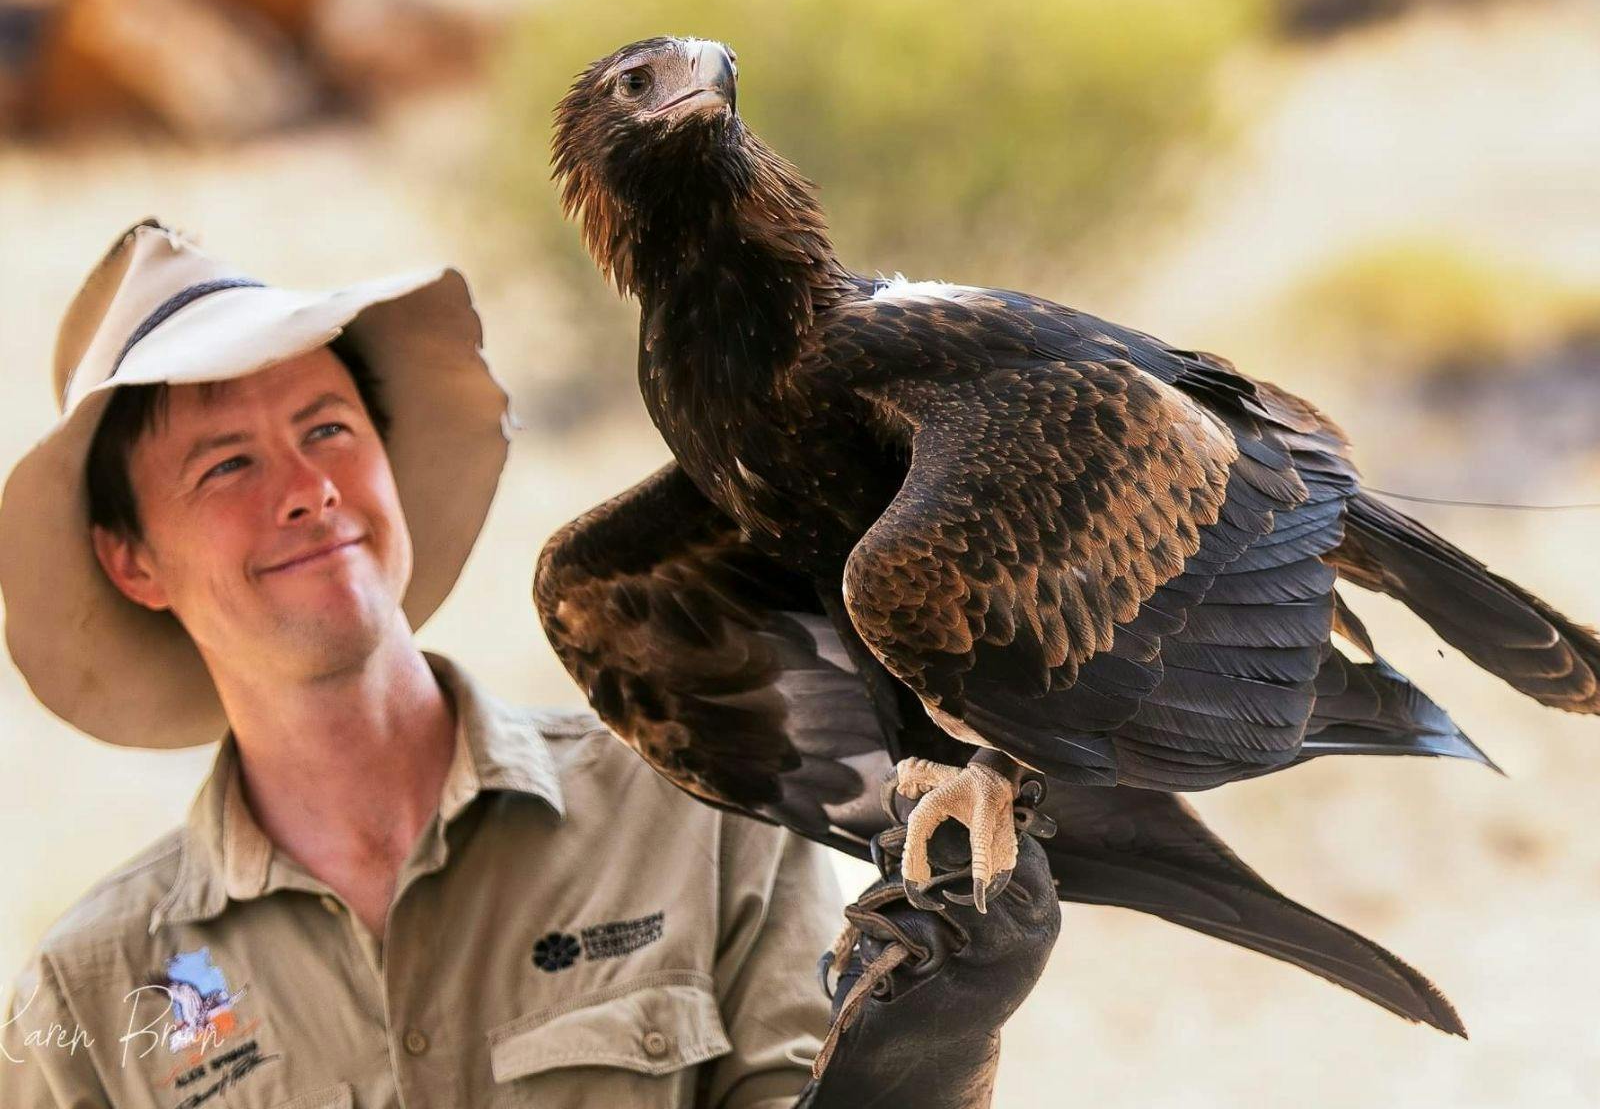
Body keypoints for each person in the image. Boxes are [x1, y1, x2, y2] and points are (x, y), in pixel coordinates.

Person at [0, 220, 1055, 1107]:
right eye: (227, 461)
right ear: (131, 560)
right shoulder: (89, 999)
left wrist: (927, 1047)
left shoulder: (694, 816)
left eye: (327, 427)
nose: (308, 487)